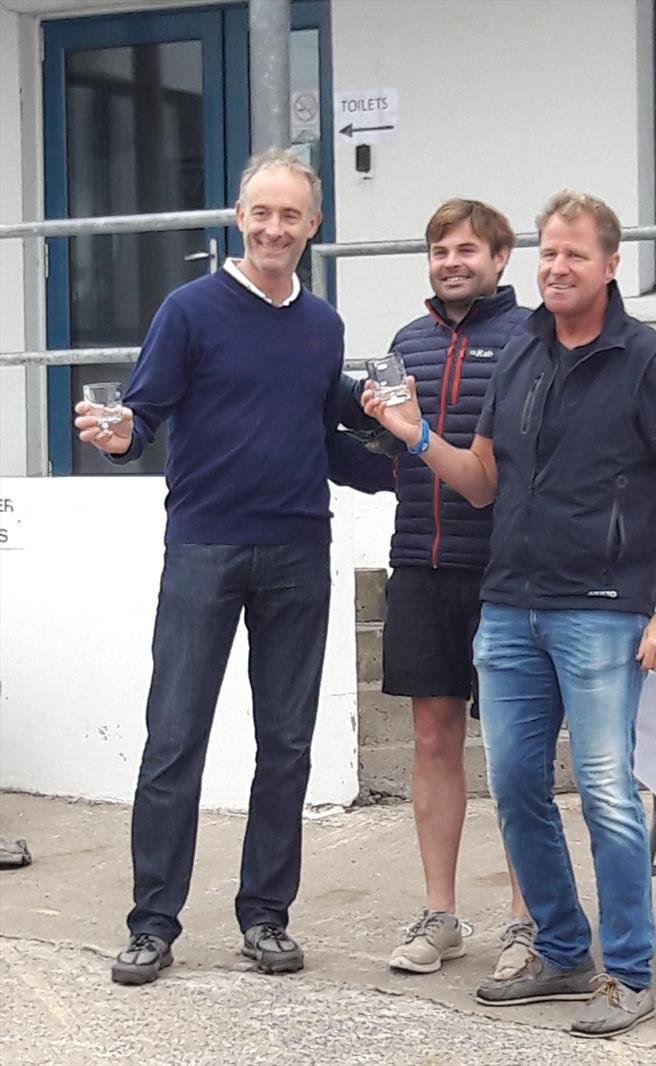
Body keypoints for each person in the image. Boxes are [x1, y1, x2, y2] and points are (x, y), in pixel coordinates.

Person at [362, 189, 656, 1037]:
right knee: (517, 787)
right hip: (508, 607)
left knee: (604, 794)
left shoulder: (648, 359)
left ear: (610, 266)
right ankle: (561, 952)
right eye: (550, 253)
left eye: (575, 256)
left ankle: (628, 973)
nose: (559, 267)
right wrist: (413, 436)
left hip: (603, 612)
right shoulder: (519, 353)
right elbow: (482, 480)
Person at [74, 148, 393, 986]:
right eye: (261, 213)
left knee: (286, 746)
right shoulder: (189, 310)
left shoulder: (323, 325)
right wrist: (118, 441)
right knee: (174, 740)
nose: (274, 228)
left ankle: (266, 919)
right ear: (238, 217)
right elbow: (140, 416)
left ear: (313, 225)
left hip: (297, 550)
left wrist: (407, 468)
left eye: (290, 215)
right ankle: (151, 925)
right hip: (204, 550)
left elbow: (323, 434)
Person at [340, 199, 535, 978]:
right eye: (438, 251)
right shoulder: (406, 343)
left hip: (507, 572)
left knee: (516, 753)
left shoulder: (530, 337)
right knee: (431, 740)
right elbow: (391, 452)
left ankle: (529, 920)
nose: (451, 263)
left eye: (465, 250)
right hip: (419, 564)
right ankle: (441, 914)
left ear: (499, 260)